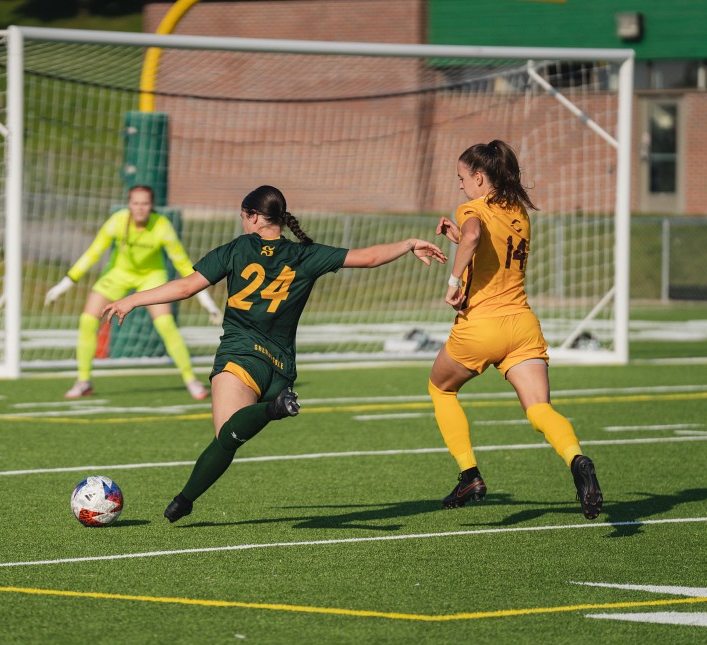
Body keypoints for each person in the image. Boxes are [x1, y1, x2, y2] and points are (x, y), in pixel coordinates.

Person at [102, 185, 447, 523]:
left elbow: (186, 286)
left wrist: (133, 299)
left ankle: (271, 412)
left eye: (243, 216)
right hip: (281, 369)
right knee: (230, 438)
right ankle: (184, 500)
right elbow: (369, 258)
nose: (242, 223)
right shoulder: (304, 254)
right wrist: (409, 243)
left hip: (241, 357)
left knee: (226, 437)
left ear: (254, 218)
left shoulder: (238, 249)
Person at [429, 140, 603, 519]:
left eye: (462, 178)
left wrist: (453, 282)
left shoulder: (472, 208)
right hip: (522, 325)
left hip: (482, 325)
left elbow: (475, 235)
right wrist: (457, 237)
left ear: (479, 177)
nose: (460, 185)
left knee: (440, 388)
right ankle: (577, 460)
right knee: (539, 408)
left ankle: (469, 474)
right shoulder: (519, 212)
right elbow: (489, 246)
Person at [45, 185, 222, 400]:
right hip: (118, 274)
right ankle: (83, 382)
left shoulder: (162, 226)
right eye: (135, 203)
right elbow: (93, 252)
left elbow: (182, 262)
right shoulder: (117, 221)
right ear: (129, 205)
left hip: (151, 276)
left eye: (145, 203)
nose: (140, 208)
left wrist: (205, 300)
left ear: (152, 206)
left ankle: (191, 380)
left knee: (166, 325)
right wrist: (66, 283)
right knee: (87, 320)